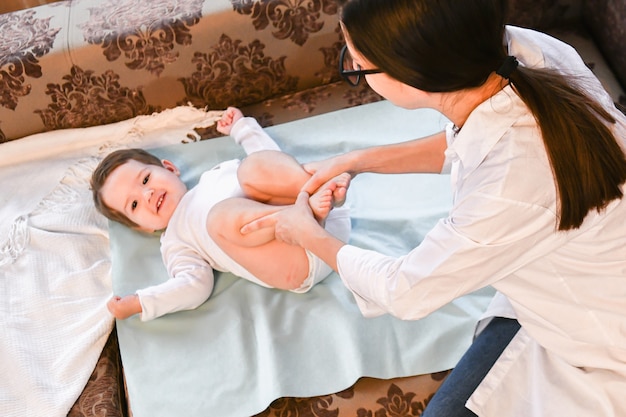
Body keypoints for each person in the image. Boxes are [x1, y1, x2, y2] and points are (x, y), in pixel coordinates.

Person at [240, 0, 626, 415]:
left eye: (357, 64)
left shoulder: (507, 187)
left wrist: (308, 234)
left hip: (600, 339)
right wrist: (356, 160)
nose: (352, 67)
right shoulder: (521, 50)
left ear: (411, 79)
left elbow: (404, 291)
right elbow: (469, 143)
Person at [91, 107, 351, 321]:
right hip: (296, 260)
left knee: (253, 168)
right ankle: (301, 212)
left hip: (326, 221)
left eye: (145, 179)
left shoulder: (218, 173)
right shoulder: (175, 241)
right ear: (141, 228)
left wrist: (242, 129)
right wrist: (142, 302)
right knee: (220, 218)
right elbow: (193, 285)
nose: (146, 195)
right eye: (134, 205)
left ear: (169, 168)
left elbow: (270, 161)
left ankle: (312, 192)